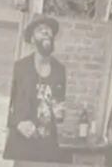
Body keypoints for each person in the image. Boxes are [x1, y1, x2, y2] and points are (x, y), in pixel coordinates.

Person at [7, 14, 71, 160]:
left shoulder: (60, 70)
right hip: (20, 146)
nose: (45, 31)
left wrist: (59, 114)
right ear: (32, 39)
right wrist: (18, 124)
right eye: (40, 29)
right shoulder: (19, 68)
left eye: (48, 29)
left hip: (47, 148)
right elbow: (6, 105)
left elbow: (58, 108)